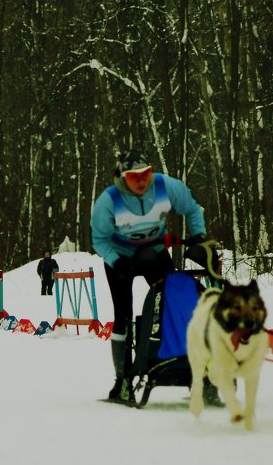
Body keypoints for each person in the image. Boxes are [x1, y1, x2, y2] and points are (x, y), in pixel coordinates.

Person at [90, 150, 220, 403]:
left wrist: (198, 237)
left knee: (176, 305)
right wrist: (116, 261)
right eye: (133, 176)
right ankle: (122, 381)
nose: (141, 181)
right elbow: (99, 240)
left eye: (145, 174)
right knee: (123, 316)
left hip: (155, 253)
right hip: (121, 257)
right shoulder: (108, 201)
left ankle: (189, 369)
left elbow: (193, 209)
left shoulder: (166, 186)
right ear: (122, 176)